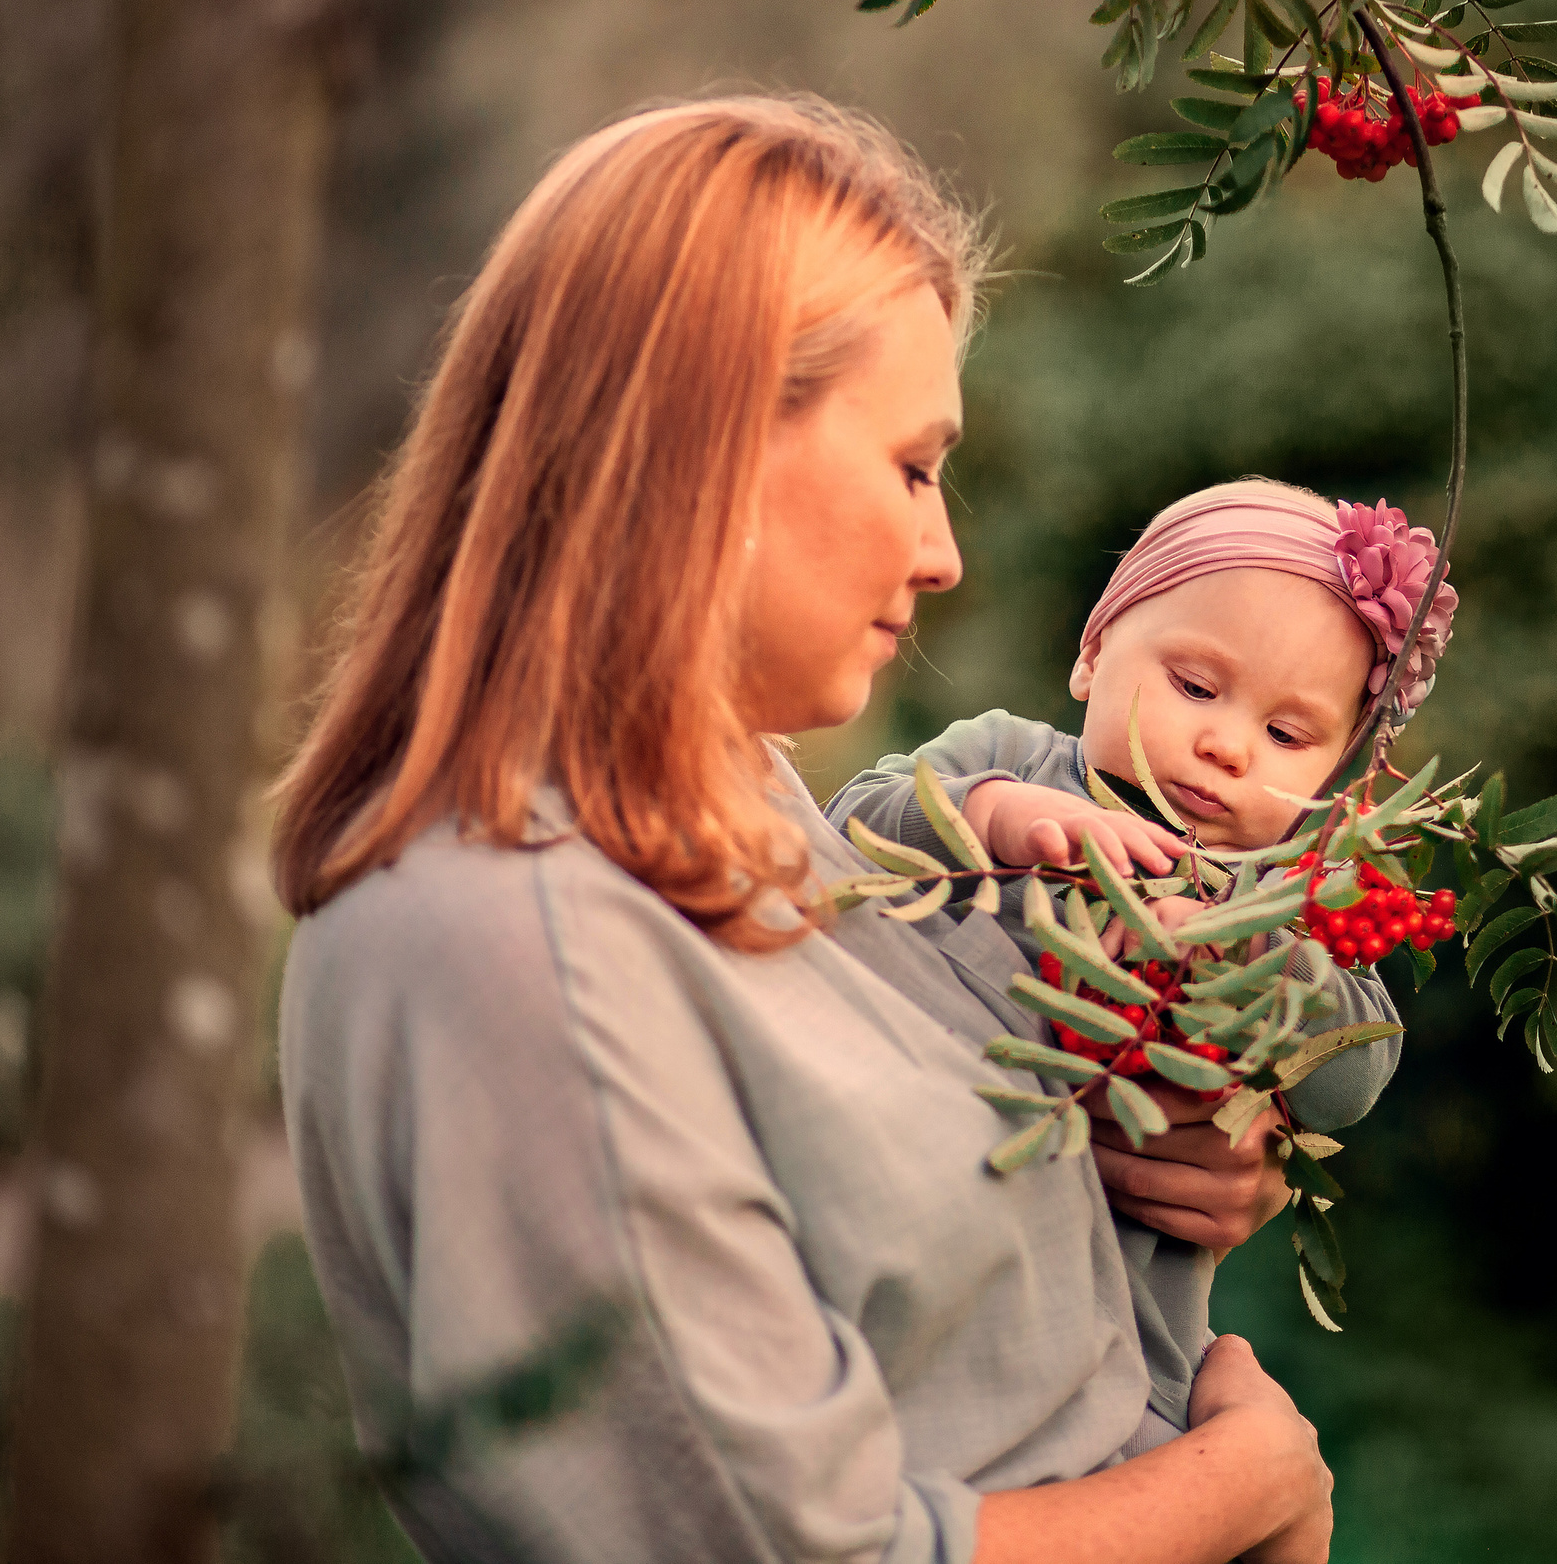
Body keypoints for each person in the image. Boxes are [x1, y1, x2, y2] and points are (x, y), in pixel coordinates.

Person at [268, 94, 1335, 1564]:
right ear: (706, 436)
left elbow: (910, 1235)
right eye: (912, 464)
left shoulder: (745, 802)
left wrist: (1178, 1140)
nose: (945, 550)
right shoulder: (520, 938)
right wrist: (1247, 1483)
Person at [825, 479, 1458, 1432]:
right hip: (891, 1268)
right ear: (1092, 652)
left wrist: (1243, 940)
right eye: (1196, 686)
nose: (1226, 744)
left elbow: (1353, 1072)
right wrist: (995, 813)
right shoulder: (1009, 758)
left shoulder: (1288, 897)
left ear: (1336, 774)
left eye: (1288, 734)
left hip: (1110, 1364)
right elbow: (845, 830)